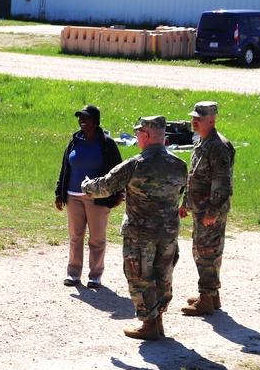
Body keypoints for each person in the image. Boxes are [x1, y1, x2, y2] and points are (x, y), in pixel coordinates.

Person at [82, 116, 187, 339]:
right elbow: (179, 194)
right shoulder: (179, 165)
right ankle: (157, 321)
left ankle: (149, 325)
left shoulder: (136, 164)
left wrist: (85, 184)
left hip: (140, 234)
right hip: (168, 234)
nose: (137, 136)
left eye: (139, 132)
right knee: (163, 275)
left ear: (146, 135)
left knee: (139, 276)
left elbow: (105, 187)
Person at [54, 105, 124, 289]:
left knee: (97, 238)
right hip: (72, 195)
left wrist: (119, 194)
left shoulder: (106, 143)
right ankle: (73, 273)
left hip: (98, 197)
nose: (82, 121)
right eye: (80, 117)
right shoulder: (74, 140)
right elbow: (65, 168)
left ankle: (95, 275)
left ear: (96, 121)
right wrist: (59, 193)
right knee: (75, 236)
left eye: (86, 118)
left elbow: (117, 171)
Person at [179, 101, 235, 316]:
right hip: (200, 208)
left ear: (212, 120)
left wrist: (212, 212)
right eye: (194, 117)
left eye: (199, 118)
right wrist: (186, 203)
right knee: (202, 251)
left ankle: (206, 299)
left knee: (207, 253)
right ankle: (212, 295)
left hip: (210, 211)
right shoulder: (201, 142)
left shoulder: (218, 146)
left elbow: (222, 183)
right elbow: (193, 176)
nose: (194, 121)